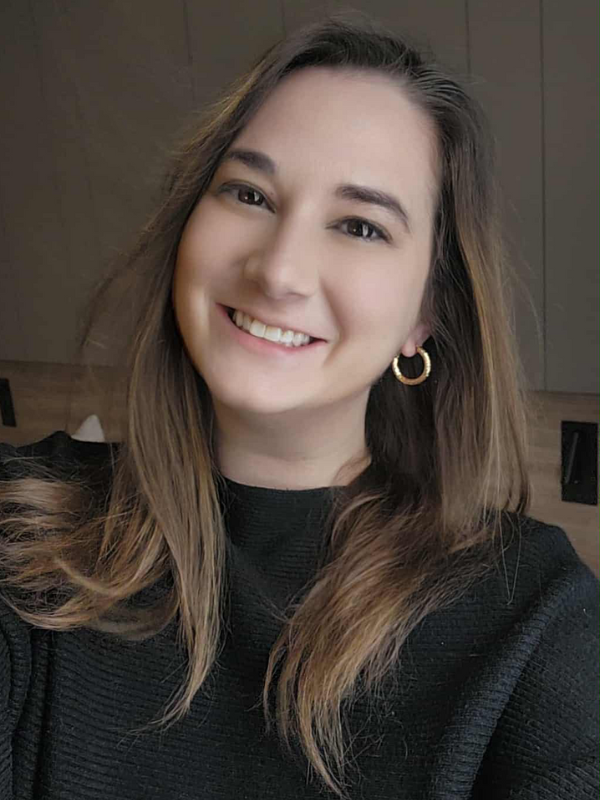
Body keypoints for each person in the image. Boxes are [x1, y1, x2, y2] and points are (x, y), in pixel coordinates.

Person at [0, 12, 598, 800]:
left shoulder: (533, 614)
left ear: (426, 314)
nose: (279, 269)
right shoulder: (26, 525)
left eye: (360, 224)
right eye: (249, 192)